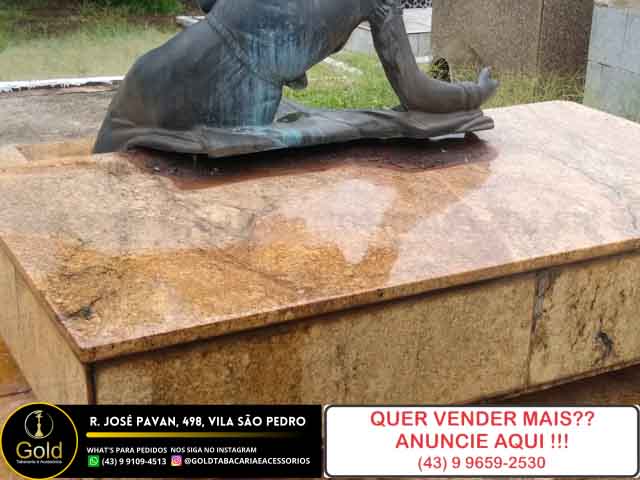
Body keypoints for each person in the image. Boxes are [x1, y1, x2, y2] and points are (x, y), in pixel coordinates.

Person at [93, 0, 497, 154]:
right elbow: (416, 92)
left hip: (171, 74)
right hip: (233, 96)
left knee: (116, 150)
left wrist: (469, 96)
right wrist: (471, 93)